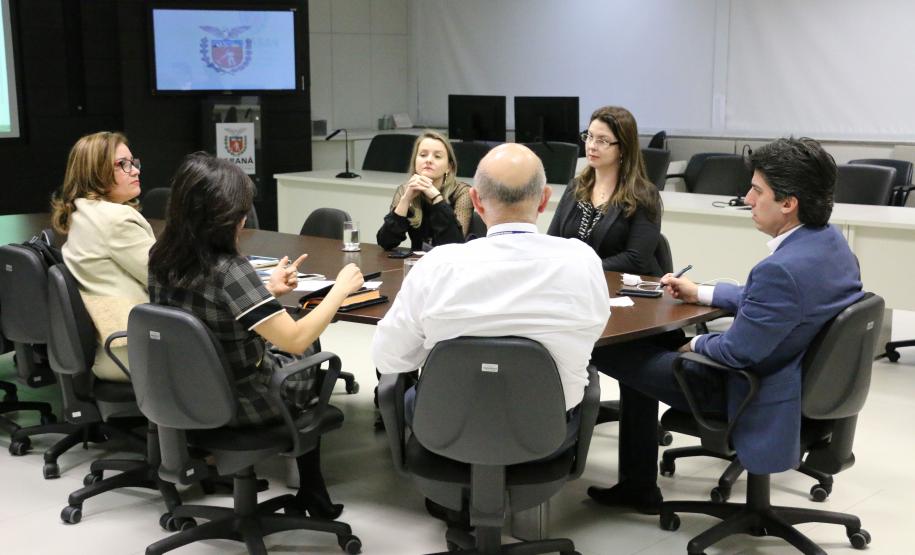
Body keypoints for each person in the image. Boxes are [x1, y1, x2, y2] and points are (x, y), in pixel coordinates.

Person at [587, 137, 864, 514]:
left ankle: (605, 473)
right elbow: (769, 301)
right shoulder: (830, 245)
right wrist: (700, 292)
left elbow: (737, 351)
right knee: (651, 347)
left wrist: (694, 347)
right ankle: (636, 482)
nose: (747, 199)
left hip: (743, 389)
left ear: (788, 203)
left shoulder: (781, 270)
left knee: (607, 347)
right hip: (795, 380)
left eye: (756, 190)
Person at [147, 152, 364, 518]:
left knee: (294, 345)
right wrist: (340, 290)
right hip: (243, 401)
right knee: (310, 347)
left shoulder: (161, 257)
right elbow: (293, 339)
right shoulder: (230, 269)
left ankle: (311, 488)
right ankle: (312, 488)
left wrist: (268, 293)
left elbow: (205, 317)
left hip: (187, 394)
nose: (244, 219)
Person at [372, 141, 610, 442]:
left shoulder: (436, 266)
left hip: (445, 427)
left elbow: (389, 358)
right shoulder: (582, 260)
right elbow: (596, 329)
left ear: (477, 201)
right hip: (546, 432)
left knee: (406, 397)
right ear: (544, 199)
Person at [50, 131, 154, 382]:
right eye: (122, 165)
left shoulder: (82, 212)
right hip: (137, 353)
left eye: (133, 162)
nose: (135, 171)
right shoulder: (116, 219)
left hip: (110, 349)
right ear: (94, 173)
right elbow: (169, 277)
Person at [548, 106, 663, 275]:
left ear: (623, 147)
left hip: (623, 291)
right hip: (575, 284)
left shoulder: (643, 195)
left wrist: (583, 268)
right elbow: (553, 242)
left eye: (602, 140)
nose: (591, 146)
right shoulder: (576, 187)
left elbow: (636, 260)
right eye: (589, 137)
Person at [376, 131, 473, 251]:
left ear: (449, 166)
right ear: (415, 161)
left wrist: (436, 198)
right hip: (417, 264)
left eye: (437, 156)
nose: (428, 160)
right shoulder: (405, 190)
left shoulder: (462, 192)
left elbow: (455, 245)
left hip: (449, 265)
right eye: (423, 155)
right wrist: (405, 200)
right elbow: (386, 242)